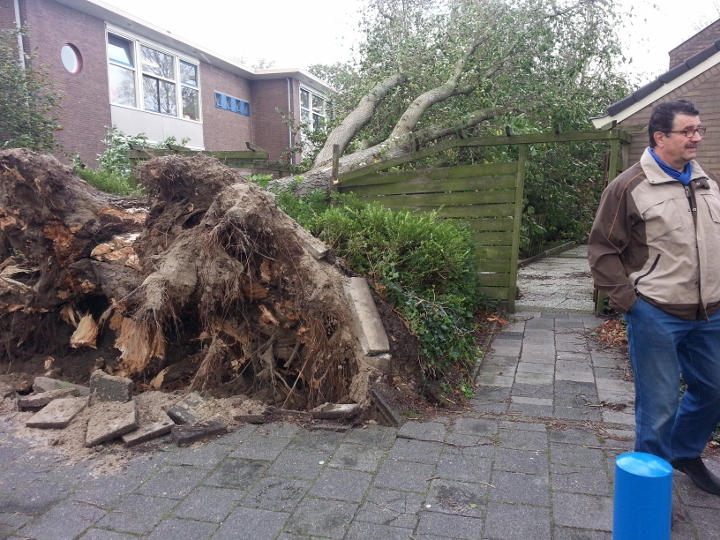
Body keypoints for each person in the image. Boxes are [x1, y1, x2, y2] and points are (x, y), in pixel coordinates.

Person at [588, 99, 720, 496]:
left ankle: (684, 453)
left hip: (710, 314)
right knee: (659, 406)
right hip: (657, 314)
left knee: (713, 388)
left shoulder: (707, 182)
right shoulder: (629, 186)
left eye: (698, 129)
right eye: (687, 131)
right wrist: (633, 305)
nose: (696, 137)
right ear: (660, 137)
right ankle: (649, 494)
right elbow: (602, 251)